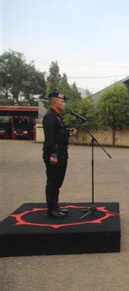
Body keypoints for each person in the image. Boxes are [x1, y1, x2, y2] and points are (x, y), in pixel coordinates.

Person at [42, 90, 76, 218]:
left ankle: (55, 206)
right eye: (62, 101)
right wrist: (53, 155)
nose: (64, 104)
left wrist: (68, 133)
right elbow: (50, 137)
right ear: (55, 102)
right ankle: (51, 210)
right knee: (53, 181)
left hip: (61, 152)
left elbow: (58, 134)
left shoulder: (57, 116)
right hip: (55, 153)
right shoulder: (50, 117)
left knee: (58, 182)